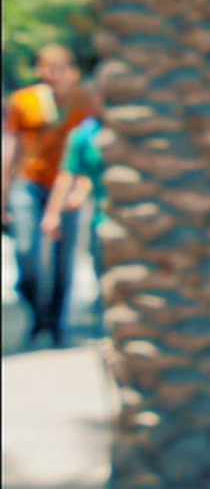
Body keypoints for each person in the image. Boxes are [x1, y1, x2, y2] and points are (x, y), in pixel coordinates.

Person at [2, 44, 92, 348]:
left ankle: (56, 322)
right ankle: (37, 314)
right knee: (27, 250)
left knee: (63, 256)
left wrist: (82, 187)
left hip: (67, 186)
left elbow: (90, 147)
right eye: (46, 67)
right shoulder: (24, 101)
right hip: (28, 182)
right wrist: (4, 190)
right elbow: (13, 146)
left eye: (59, 68)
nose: (52, 74)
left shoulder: (84, 101)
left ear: (73, 72)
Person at [41, 60, 130, 338]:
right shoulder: (83, 135)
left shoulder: (133, 130)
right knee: (103, 272)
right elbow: (70, 175)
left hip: (135, 219)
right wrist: (53, 213)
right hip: (103, 218)